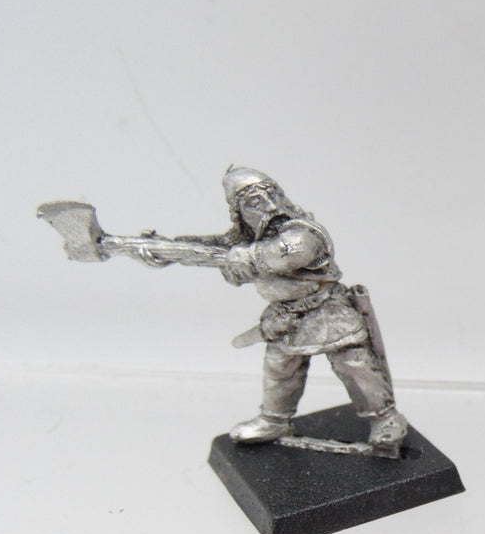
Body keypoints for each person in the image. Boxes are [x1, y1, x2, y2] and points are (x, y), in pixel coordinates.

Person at [169, 166, 407, 451]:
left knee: (354, 365)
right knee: (280, 370)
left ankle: (385, 419)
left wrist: (240, 256)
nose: (270, 206)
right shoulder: (246, 242)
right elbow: (224, 258)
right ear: (240, 213)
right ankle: (274, 421)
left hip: (327, 310)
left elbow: (289, 253)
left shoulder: (302, 232)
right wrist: (169, 251)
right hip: (285, 317)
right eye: (255, 202)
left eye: (273, 195)